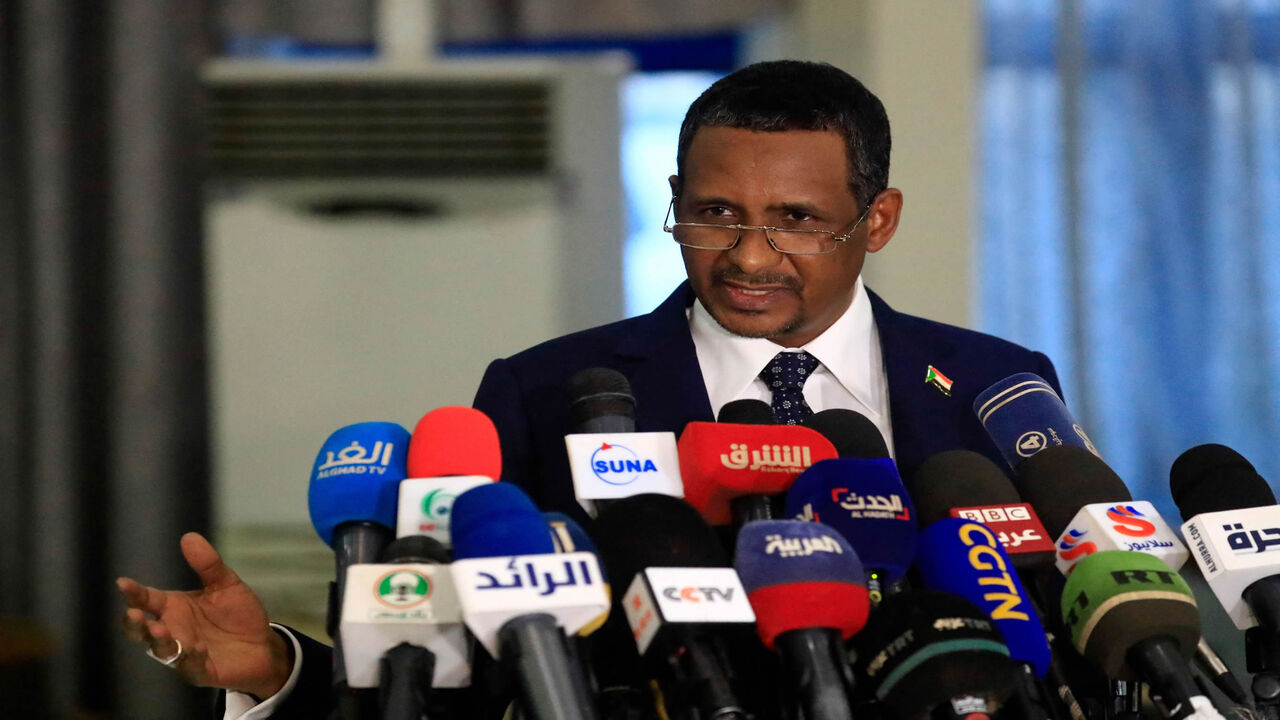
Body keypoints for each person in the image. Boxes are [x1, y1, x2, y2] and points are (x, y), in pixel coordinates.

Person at [117, 60, 1061, 718]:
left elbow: (1069, 634)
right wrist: (280, 669)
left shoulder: (993, 386)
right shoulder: (543, 392)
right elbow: (463, 662)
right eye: (713, 214)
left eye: (798, 221)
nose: (747, 255)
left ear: (879, 219)